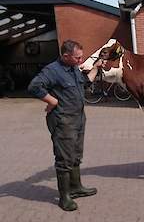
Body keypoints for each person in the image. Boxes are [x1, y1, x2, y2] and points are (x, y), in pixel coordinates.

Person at [28, 40, 103, 211]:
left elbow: (85, 83)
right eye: (77, 57)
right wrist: (52, 101)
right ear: (66, 56)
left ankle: (76, 188)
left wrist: (96, 68)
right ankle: (64, 197)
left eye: (81, 56)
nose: (80, 59)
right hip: (63, 121)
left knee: (75, 156)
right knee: (64, 159)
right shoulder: (52, 70)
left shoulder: (73, 68)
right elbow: (34, 86)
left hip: (78, 119)